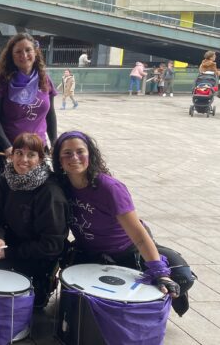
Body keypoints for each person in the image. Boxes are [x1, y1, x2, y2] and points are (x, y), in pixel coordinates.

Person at [52, 130, 193, 315]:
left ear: (90, 155)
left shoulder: (110, 188)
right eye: (67, 153)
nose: (74, 157)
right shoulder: (60, 185)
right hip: (89, 252)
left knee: (181, 277)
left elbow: (139, 235)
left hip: (127, 251)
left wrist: (160, 272)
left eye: (80, 151)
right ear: (59, 160)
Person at [0, 133, 68, 309]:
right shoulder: (7, 179)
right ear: (11, 155)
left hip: (36, 254)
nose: (23, 159)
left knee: (5, 291)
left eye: (31, 155)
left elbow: (52, 245)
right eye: (19, 153)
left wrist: (9, 253)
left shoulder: (49, 192)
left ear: (40, 158)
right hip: (10, 243)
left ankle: (41, 286)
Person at [0, 33, 57, 197]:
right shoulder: (1, 81)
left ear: (35, 52)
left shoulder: (45, 80)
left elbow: (50, 114)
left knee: (34, 197)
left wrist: (54, 141)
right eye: (18, 51)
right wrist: (7, 146)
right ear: (11, 55)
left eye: (28, 50)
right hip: (3, 150)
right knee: (0, 199)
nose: (24, 55)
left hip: (35, 150)